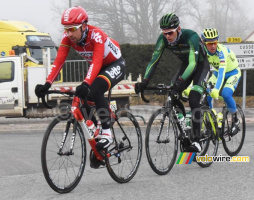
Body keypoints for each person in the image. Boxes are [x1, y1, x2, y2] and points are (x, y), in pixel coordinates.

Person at [35, 6, 126, 149]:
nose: (69, 33)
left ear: (83, 26)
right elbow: (59, 61)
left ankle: (107, 134)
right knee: (83, 99)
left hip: (115, 64)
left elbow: (96, 61)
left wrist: (86, 83)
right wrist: (47, 84)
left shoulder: (96, 35)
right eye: (66, 29)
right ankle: (98, 132)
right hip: (99, 67)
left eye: (72, 29)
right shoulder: (68, 38)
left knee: (95, 89)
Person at [135, 13, 210, 152]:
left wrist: (181, 81)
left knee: (194, 98)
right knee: (172, 93)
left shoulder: (191, 36)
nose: (167, 36)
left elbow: (193, 63)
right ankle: (184, 128)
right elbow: (154, 61)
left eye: (170, 33)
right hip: (186, 65)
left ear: (178, 29)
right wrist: (145, 81)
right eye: (165, 33)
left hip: (201, 66)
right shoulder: (163, 39)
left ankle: (197, 139)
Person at [201, 28, 241, 133]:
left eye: (214, 43)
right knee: (207, 94)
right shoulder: (203, 52)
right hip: (217, 72)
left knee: (226, 94)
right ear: (204, 43)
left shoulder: (221, 52)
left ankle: (235, 119)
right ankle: (211, 121)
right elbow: (199, 69)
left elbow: (222, 73)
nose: (213, 46)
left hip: (233, 73)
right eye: (210, 44)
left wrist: (217, 89)